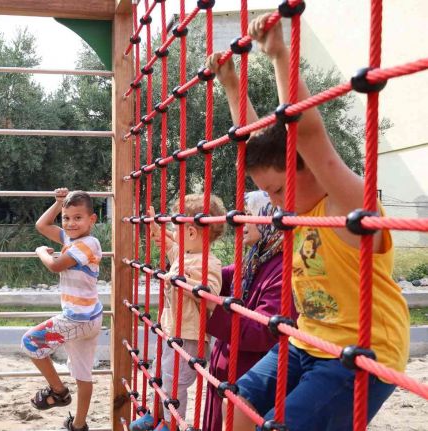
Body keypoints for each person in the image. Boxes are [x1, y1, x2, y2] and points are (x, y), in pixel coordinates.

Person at [206, 13, 409, 431]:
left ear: (312, 170)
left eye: (278, 191)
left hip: (361, 352)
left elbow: (310, 134)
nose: (273, 204)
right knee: (237, 405)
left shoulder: (346, 203)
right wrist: (230, 82)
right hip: (306, 339)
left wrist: (280, 53)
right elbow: (258, 143)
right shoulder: (296, 208)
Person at [131, 194, 226, 431]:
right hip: (171, 329)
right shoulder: (184, 255)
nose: (174, 233)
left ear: (192, 233)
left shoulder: (207, 262)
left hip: (190, 336)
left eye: (177, 228)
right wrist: (157, 230)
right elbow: (169, 245)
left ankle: (171, 423)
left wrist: (185, 281)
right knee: (159, 374)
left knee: (175, 383)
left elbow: (210, 293)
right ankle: (157, 416)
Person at [203, 191, 297, 431]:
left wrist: (215, 306)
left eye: (248, 215)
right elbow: (216, 275)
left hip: (248, 380)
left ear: (269, 217)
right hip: (226, 376)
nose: (241, 222)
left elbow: (263, 331)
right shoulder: (255, 259)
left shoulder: (284, 269)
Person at [22, 188, 102, 431]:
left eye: (77, 218)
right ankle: (78, 425)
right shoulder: (70, 239)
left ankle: (58, 392)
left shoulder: (88, 244)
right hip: (90, 318)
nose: (70, 223)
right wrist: (57, 204)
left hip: (76, 319)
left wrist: (40, 252)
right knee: (82, 374)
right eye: (66, 218)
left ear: (92, 220)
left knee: (30, 343)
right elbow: (42, 225)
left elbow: (56, 266)